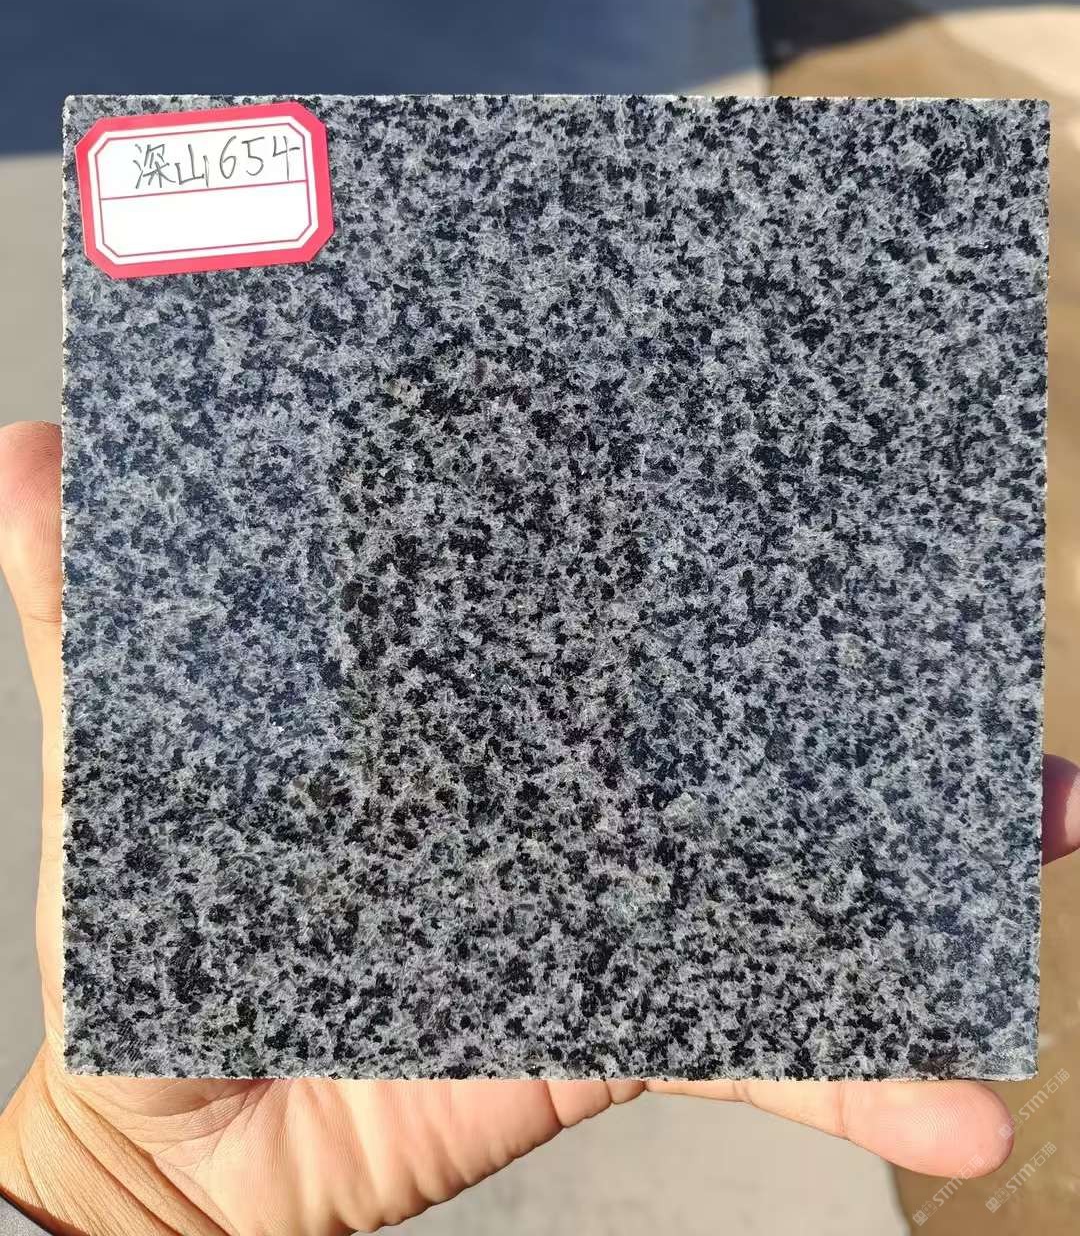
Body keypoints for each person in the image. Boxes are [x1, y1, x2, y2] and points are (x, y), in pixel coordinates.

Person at [0, 418, 1075, 1235]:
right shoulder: (241, 927)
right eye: (433, 580)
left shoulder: (771, 908)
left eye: (537, 574)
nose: (485, 632)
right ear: (360, 614)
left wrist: (127, 1184)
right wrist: (119, 1174)